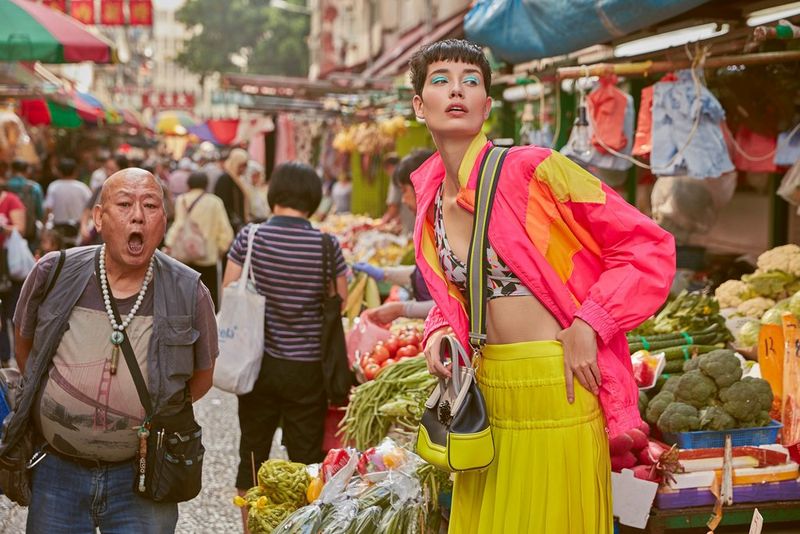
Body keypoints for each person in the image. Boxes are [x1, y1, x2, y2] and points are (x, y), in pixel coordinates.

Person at [408, 40, 676, 533]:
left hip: (559, 384)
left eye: (471, 81)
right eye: (441, 80)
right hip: (486, 395)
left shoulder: (533, 169)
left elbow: (647, 246)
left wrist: (589, 323)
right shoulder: (428, 195)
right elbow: (457, 292)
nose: (457, 91)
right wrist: (438, 331)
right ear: (419, 105)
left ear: (488, 106)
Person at [5, 168, 218, 532]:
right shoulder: (53, 273)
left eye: (151, 205)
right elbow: (26, 347)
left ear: (164, 221)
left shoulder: (189, 290)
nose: (138, 215)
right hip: (57, 470)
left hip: (142, 477)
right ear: (99, 218)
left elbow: (201, 378)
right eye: (124, 204)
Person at [221, 162, 347, 531]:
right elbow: (340, 300)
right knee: (305, 460)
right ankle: (298, 526)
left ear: (275, 194)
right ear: (313, 199)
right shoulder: (327, 245)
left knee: (253, 451)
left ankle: (251, 527)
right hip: (308, 370)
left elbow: (230, 290)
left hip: (257, 363)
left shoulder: (251, 237)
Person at [353, 149, 435, 324]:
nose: (403, 200)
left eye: (405, 190)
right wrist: (383, 274)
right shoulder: (431, 231)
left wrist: (403, 309)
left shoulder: (449, 235)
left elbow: (457, 305)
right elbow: (424, 276)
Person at [165, 171, 234, 308]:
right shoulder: (215, 202)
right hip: (208, 258)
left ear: (189, 184)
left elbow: (178, 225)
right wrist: (220, 248)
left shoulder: (182, 200)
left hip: (184, 257)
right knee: (208, 299)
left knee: (185, 298)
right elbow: (226, 231)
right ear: (206, 184)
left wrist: (169, 244)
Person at [0, 187, 26, 368]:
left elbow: (20, 228)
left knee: (7, 312)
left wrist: (3, 228)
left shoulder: (11, 200)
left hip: (5, 264)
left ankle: (5, 356)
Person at [44, 158, 92, 247]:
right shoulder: (82, 187)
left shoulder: (54, 187)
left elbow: (48, 208)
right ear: (75, 172)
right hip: (78, 228)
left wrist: (44, 225)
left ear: (59, 172)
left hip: (59, 228)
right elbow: (91, 206)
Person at [214, 148, 251, 232]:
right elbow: (222, 202)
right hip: (229, 224)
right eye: (241, 166)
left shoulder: (240, 179)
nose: (243, 169)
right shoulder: (225, 179)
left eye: (245, 166)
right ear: (235, 164)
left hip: (239, 223)